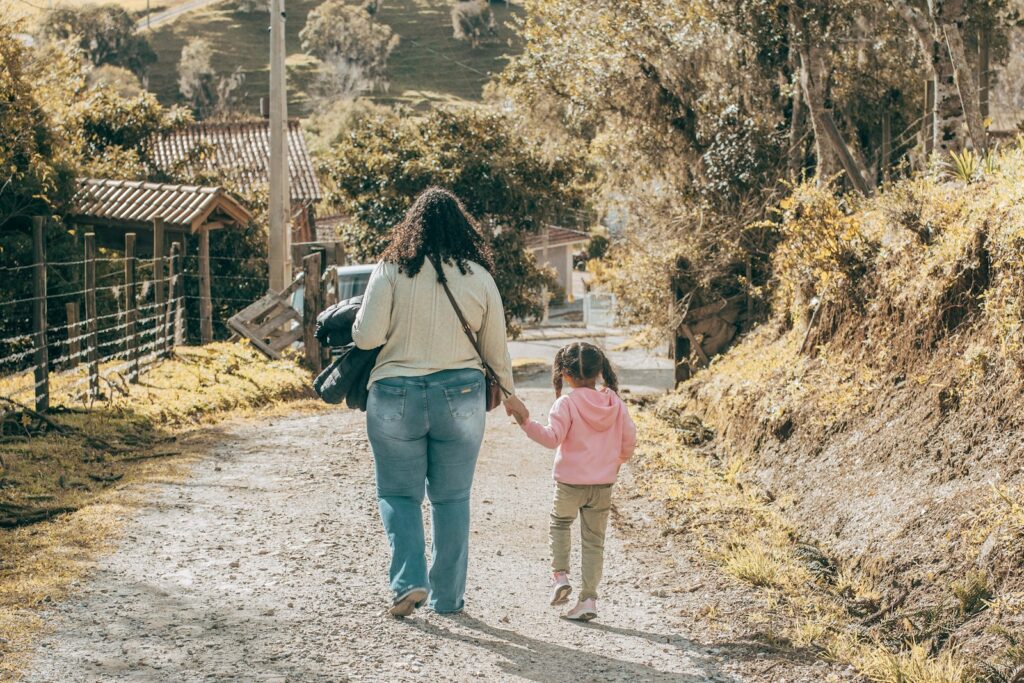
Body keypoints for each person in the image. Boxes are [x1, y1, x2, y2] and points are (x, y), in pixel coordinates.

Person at [353, 187, 523, 617]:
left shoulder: (390, 270)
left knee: (397, 493)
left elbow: (367, 337)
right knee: (452, 499)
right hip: (461, 397)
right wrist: (511, 395)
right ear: (461, 227)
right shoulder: (480, 277)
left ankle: (409, 582)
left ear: (413, 226)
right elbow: (495, 349)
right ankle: (447, 598)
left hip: (395, 394)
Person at [506, 342, 637, 621]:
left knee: (560, 524)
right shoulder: (614, 402)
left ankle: (560, 576)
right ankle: (588, 600)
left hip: (569, 484)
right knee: (594, 542)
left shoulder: (566, 403)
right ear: (599, 371)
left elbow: (551, 438)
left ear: (565, 375)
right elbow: (629, 441)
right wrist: (616, 461)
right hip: (602, 485)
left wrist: (526, 422)